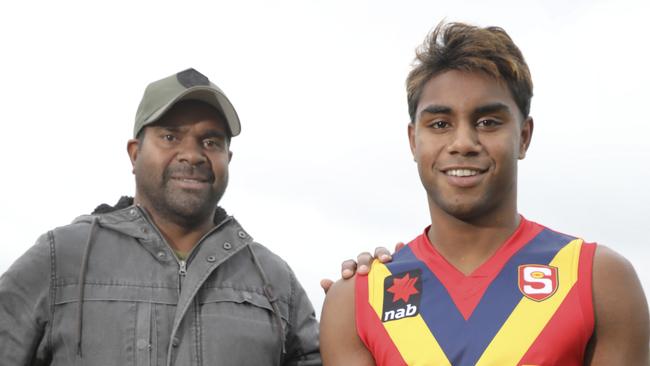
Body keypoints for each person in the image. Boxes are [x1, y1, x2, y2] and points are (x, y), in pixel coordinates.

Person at [320, 21, 649, 365]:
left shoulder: (598, 280)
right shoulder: (358, 299)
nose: (463, 143)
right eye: (440, 124)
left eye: (488, 122)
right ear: (413, 140)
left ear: (523, 136)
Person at [0, 68, 321, 366]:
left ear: (228, 158)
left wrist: (361, 299)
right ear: (135, 153)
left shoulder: (275, 280)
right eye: (170, 137)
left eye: (211, 142)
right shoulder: (61, 257)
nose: (193, 155)